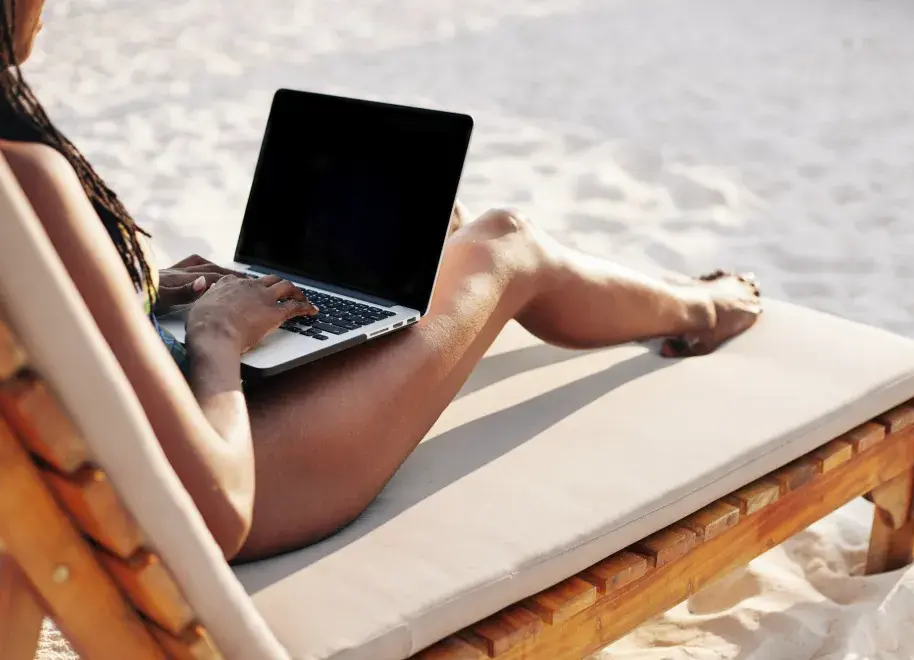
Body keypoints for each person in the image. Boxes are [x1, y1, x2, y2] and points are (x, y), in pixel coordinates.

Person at [0, 0, 761, 561]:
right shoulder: (24, 181)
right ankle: (703, 306)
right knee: (505, 243)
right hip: (224, 479)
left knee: (438, 243)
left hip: (112, 460)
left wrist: (134, 292)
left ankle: (435, 268)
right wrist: (220, 339)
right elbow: (211, 508)